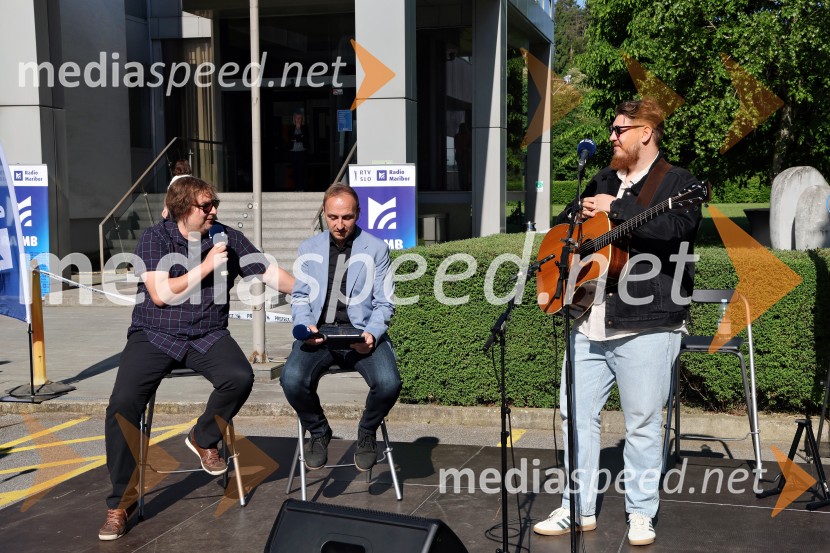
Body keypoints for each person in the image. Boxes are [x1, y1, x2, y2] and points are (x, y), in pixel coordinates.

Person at [532, 98, 701, 546]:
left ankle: (641, 513)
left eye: (619, 129)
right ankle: (576, 507)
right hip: (589, 317)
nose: (611, 136)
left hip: (648, 321)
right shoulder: (604, 176)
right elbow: (565, 231)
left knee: (643, 421)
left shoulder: (677, 182)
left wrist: (617, 209)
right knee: (574, 414)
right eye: (612, 128)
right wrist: (575, 230)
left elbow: (675, 231)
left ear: (646, 132)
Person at [99, 176, 295, 541]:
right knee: (122, 404)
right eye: (205, 206)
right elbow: (159, 295)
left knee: (240, 376)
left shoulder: (226, 237)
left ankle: (203, 437)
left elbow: (267, 271)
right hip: (155, 333)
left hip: (206, 334)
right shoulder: (155, 238)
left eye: (213, 204)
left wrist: (308, 289)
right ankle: (120, 503)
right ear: (182, 209)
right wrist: (205, 266)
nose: (213, 211)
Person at [280, 183, 401, 473]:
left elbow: (385, 303)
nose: (340, 224)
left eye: (346, 217)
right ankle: (319, 431)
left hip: (361, 333)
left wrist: (371, 334)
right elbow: (299, 297)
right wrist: (305, 325)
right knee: (291, 379)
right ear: (325, 214)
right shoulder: (308, 249)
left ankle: (367, 432)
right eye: (333, 217)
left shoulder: (376, 248)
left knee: (389, 383)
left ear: (358, 214)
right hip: (320, 334)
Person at [288, 111, 309, 191]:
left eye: (300, 118)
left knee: (302, 170)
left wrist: (296, 138)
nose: (298, 119)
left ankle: (302, 187)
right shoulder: (291, 128)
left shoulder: (304, 128)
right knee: (295, 170)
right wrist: (300, 137)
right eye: (297, 118)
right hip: (293, 152)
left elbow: (305, 138)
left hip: (302, 152)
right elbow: (290, 138)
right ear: (294, 119)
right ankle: (296, 187)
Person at [454, 122, 472, 189]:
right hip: (462, 156)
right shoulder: (458, 136)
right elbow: (456, 147)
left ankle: (465, 186)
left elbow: (470, 147)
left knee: (465, 172)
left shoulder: (467, 136)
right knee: (463, 172)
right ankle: (463, 186)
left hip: (465, 156)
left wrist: (465, 150)